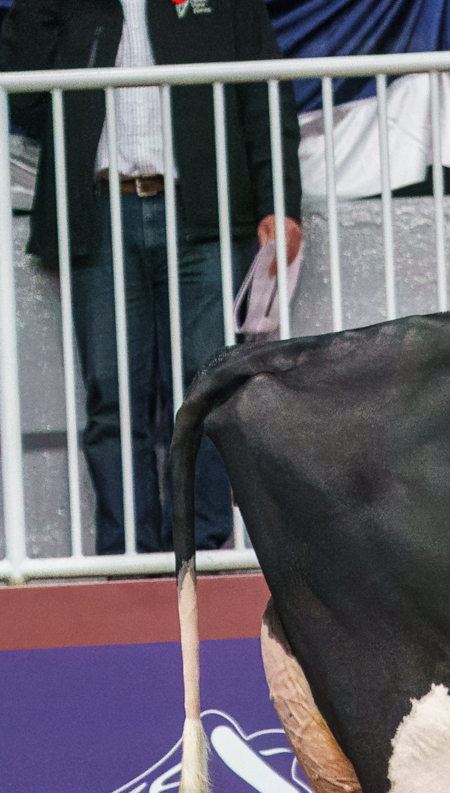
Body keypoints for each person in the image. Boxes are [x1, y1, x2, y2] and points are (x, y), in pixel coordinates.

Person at [2, 0, 301, 556]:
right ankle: (127, 559)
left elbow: (264, 90)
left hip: (203, 213)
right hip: (101, 213)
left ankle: (203, 552)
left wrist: (280, 199)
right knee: (112, 397)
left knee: (207, 390)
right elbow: (22, 88)